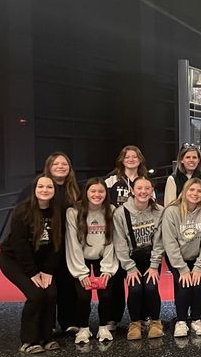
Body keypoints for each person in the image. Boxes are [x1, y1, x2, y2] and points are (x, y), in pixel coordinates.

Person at [0, 175, 64, 353]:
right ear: (34, 189)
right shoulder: (22, 211)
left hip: (41, 263)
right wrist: (32, 272)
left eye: (49, 187)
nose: (45, 190)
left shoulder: (57, 211)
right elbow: (19, 245)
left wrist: (48, 270)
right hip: (15, 260)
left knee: (50, 293)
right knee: (36, 295)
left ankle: (47, 337)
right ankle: (29, 341)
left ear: (54, 190)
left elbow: (58, 243)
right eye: (40, 186)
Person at [161, 177, 201, 337]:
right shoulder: (171, 211)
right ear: (184, 191)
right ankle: (181, 321)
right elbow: (170, 243)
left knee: (198, 285)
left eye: (199, 191)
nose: (195, 193)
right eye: (191, 190)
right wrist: (183, 269)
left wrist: (199, 267)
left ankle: (196, 319)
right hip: (178, 259)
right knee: (184, 286)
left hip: (198, 258)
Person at [66, 178, 118, 344]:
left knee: (106, 294)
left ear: (106, 193)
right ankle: (83, 328)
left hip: (102, 258)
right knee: (83, 296)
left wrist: (107, 270)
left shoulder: (111, 210)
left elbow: (111, 242)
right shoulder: (73, 212)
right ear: (86, 193)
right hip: (81, 259)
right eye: (93, 191)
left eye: (101, 191)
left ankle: (103, 326)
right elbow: (73, 244)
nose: (97, 195)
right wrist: (81, 273)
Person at [103, 145, 151, 330]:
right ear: (122, 160)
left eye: (134, 156)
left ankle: (143, 316)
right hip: (117, 235)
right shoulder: (111, 180)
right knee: (116, 281)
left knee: (140, 280)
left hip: (139, 239)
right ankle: (113, 318)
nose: (131, 159)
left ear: (140, 159)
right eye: (127, 156)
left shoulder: (145, 181)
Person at [112, 176, 165, 340]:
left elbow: (160, 241)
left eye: (147, 188)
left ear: (152, 191)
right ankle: (135, 323)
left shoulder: (160, 211)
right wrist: (129, 267)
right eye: (139, 188)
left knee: (151, 288)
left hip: (151, 257)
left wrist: (154, 265)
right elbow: (120, 242)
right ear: (132, 191)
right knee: (135, 289)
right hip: (131, 259)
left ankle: (155, 322)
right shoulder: (120, 213)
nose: (143, 191)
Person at [43, 152, 81, 335]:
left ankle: (68, 321)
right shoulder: (42, 187)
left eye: (64, 164)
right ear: (49, 167)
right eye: (56, 164)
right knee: (48, 286)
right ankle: (47, 323)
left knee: (67, 285)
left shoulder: (75, 190)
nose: (60, 166)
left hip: (68, 245)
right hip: (47, 246)